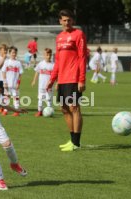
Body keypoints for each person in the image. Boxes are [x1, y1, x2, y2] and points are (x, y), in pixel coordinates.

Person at [46, 9, 87, 152]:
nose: (66, 22)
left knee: (74, 108)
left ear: (73, 21)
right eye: (64, 20)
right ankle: (72, 140)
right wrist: (53, 79)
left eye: (69, 20)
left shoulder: (79, 34)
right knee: (64, 109)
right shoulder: (59, 37)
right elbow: (57, 61)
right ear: (60, 21)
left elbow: (82, 57)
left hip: (74, 78)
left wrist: (82, 79)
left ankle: (76, 143)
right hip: (62, 79)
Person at [31, 48, 54, 117]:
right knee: (40, 98)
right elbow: (37, 72)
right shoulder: (41, 64)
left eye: (50, 55)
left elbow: (56, 75)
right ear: (44, 55)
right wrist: (34, 80)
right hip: (41, 85)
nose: (48, 56)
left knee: (48, 99)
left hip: (49, 86)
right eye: (47, 55)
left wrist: (57, 83)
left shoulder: (53, 65)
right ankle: (39, 111)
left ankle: (49, 112)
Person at [2, 46, 24, 116]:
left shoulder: (18, 63)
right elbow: (3, 72)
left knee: (16, 97)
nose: (14, 54)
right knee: (6, 96)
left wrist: (18, 83)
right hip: (7, 84)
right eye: (12, 52)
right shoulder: (6, 62)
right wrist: (5, 82)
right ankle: (5, 110)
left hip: (15, 84)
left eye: (15, 53)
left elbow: (20, 74)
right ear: (9, 53)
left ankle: (16, 111)